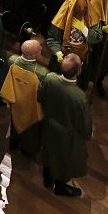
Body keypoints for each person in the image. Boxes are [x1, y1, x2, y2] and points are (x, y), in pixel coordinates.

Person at [38, 53, 92, 196]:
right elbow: (85, 126)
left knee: (48, 152)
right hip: (67, 135)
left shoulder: (50, 79)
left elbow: (40, 97)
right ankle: (60, 187)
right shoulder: (80, 97)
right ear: (79, 71)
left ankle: (47, 179)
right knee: (63, 161)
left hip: (49, 126)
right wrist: (87, 135)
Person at [1, 39, 49, 157]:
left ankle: (13, 143)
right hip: (32, 107)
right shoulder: (42, 73)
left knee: (15, 124)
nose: (41, 49)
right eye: (39, 49)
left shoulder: (12, 61)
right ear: (33, 54)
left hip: (16, 102)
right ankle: (27, 151)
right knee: (30, 132)